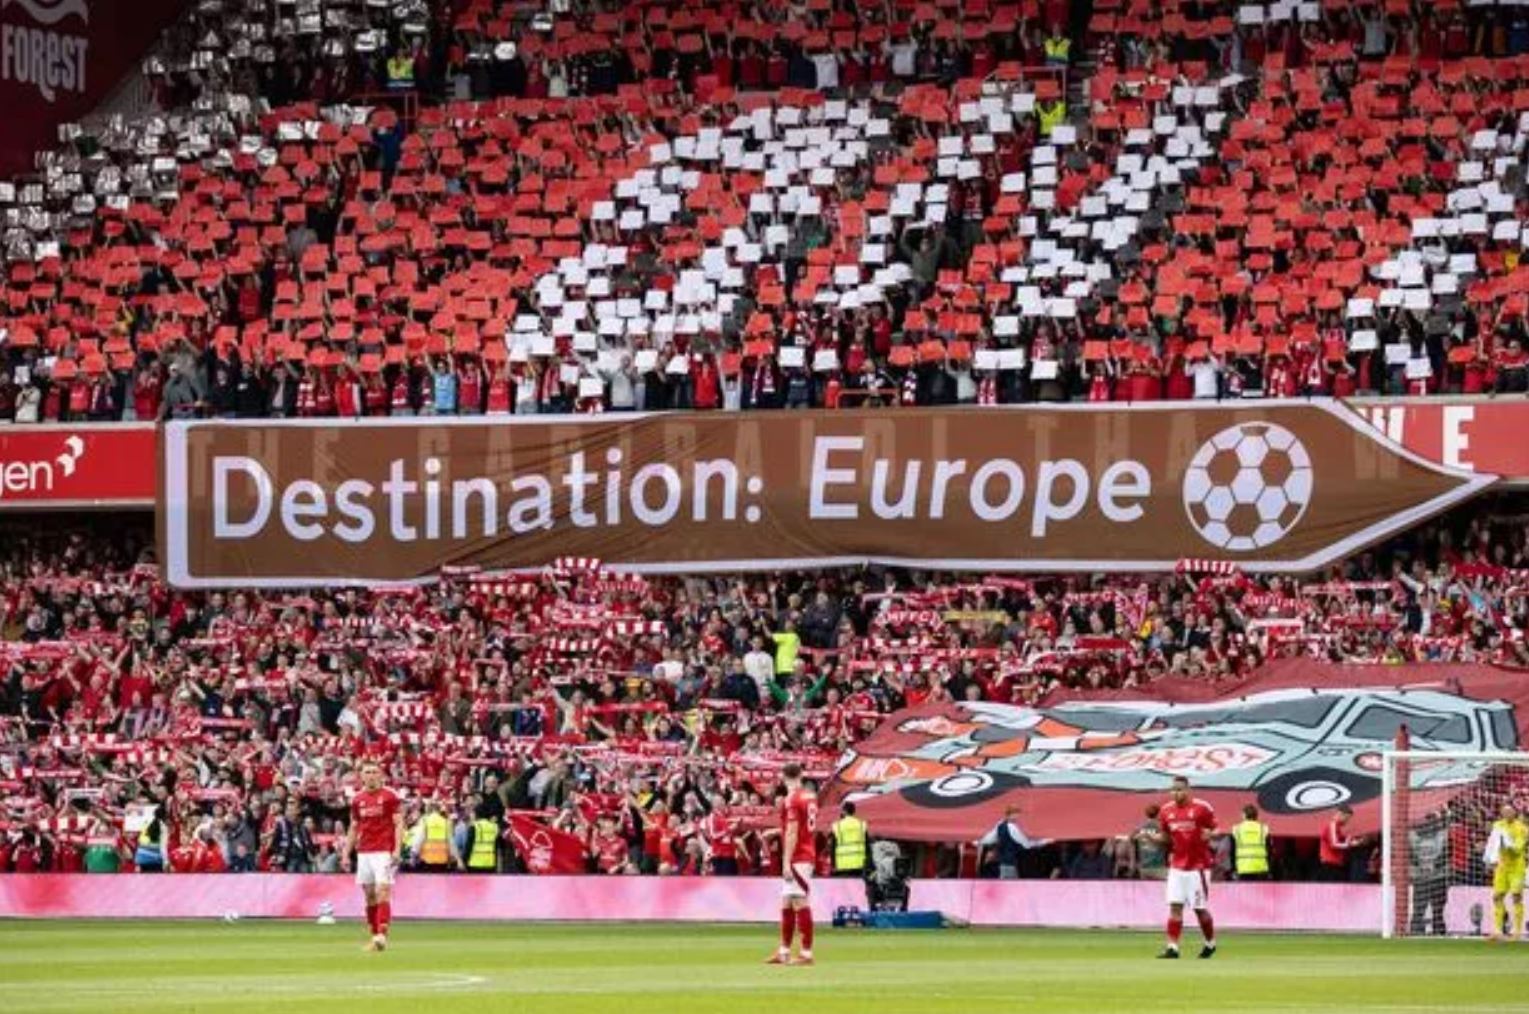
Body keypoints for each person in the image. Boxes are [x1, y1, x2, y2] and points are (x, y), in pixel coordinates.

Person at [1148, 775, 1218, 959]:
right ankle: (1172, 947)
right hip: (1177, 866)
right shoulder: (1166, 811)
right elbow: (1166, 838)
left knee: (1199, 909)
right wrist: (1153, 838)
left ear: (1188, 790)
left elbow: (1217, 829)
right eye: (1173, 790)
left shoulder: (1202, 808)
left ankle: (1210, 942)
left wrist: (1210, 834)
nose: (1175, 793)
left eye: (1179, 789)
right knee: (1175, 906)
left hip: (1198, 866)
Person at [343, 761, 404, 952]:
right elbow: (354, 827)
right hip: (364, 852)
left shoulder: (390, 796)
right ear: (361, 776)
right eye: (367, 772)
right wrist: (345, 853)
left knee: (382, 890)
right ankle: (375, 936)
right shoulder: (357, 800)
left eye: (374, 772)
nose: (371, 775)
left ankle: (382, 936)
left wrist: (397, 850)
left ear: (381, 775)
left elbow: (399, 824)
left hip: (384, 851)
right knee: (369, 896)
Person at [766, 763, 817, 966]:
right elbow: (801, 826)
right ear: (801, 775)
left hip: (799, 856)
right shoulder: (810, 796)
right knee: (786, 902)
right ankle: (784, 951)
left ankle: (806, 953)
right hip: (807, 850)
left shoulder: (792, 799)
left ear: (783, 777)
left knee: (799, 901)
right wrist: (776, 831)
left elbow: (793, 832)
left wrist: (786, 862)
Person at [1484, 801, 1527, 940]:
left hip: (1516, 867)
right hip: (1502, 867)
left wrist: (1508, 845)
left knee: (1516, 896)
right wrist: (1489, 858)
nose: (1507, 814)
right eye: (1504, 811)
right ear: (1501, 813)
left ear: (1515, 813)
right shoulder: (1498, 825)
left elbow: (1518, 849)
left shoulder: (1522, 828)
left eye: (1509, 811)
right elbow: (1492, 843)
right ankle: (1497, 931)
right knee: (1497, 897)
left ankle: (1517, 931)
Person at [979, 805, 1047, 880]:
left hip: (1003, 864)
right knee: (1011, 883)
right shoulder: (1013, 827)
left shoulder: (1000, 825)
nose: (1018, 817)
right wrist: (1041, 842)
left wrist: (979, 842)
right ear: (1012, 814)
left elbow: (988, 839)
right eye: (1017, 814)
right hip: (1010, 863)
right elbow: (1026, 844)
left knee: (1005, 882)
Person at [1318, 805, 1361, 881]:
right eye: (1347, 818)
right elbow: (1334, 844)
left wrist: (1350, 842)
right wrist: (1349, 844)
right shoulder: (1332, 825)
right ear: (1340, 815)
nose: (1347, 821)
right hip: (1330, 864)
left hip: (1333, 864)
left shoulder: (1336, 827)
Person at [1231, 804, 1271, 881]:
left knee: (1245, 889)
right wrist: (1269, 868)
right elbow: (1269, 850)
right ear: (1256, 816)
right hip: (1261, 868)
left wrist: (1233, 869)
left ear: (1244, 815)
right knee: (1260, 889)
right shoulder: (1263, 829)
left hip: (1242, 868)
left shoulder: (1236, 829)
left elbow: (1232, 851)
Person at [831, 801, 868, 878]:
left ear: (844, 811)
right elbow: (867, 845)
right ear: (854, 811)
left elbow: (833, 846)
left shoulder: (837, 826)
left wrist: (833, 864)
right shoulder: (861, 824)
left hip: (842, 864)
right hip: (859, 864)